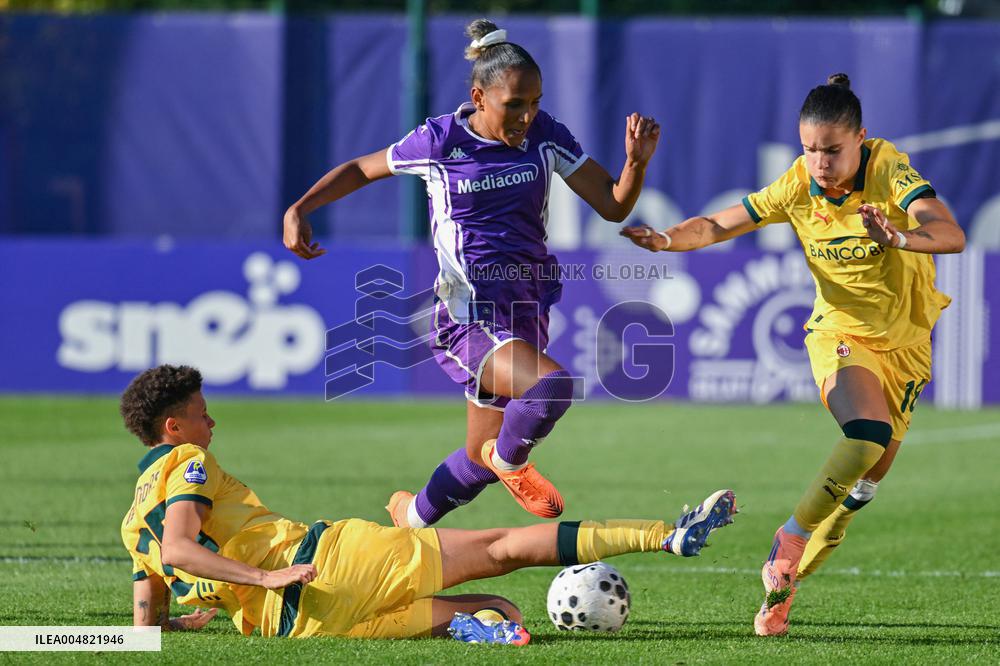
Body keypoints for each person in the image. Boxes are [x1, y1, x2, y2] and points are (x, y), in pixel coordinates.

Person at [620, 73, 964, 637]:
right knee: (866, 434)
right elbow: (716, 223)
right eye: (809, 149)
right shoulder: (799, 184)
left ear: (862, 139)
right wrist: (667, 240)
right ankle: (789, 537)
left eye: (832, 150)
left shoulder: (888, 170)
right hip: (840, 334)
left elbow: (950, 234)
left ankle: (783, 588)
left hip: (907, 346)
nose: (820, 162)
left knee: (862, 489)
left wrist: (898, 238)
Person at [282, 19, 661, 528]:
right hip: (466, 315)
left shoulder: (546, 136)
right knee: (551, 389)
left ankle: (406, 522)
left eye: (536, 102)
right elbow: (361, 168)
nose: (528, 115)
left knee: (476, 461)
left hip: (526, 307)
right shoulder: (439, 141)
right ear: (480, 97)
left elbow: (614, 207)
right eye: (515, 104)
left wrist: (635, 165)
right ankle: (512, 461)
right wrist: (299, 208)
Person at [120, 364, 736, 641]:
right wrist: (263, 572)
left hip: (306, 628)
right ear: (172, 429)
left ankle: (481, 625)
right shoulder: (188, 463)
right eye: (202, 416)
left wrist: (177, 619)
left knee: (501, 609)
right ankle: (664, 535)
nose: (212, 424)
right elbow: (181, 542)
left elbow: (145, 614)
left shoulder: (129, 526)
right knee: (499, 549)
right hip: (331, 562)